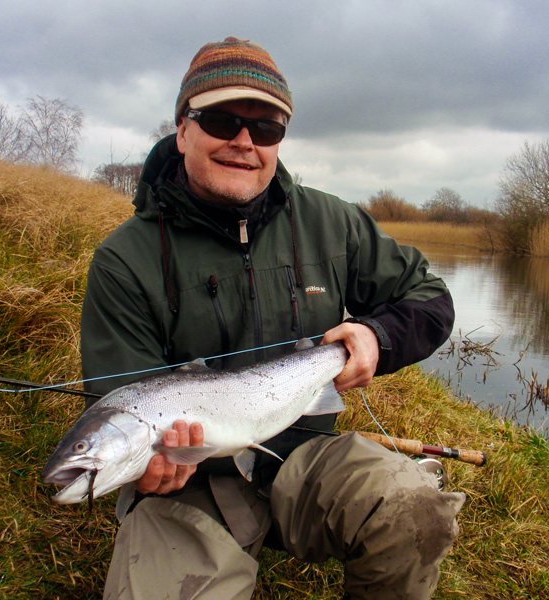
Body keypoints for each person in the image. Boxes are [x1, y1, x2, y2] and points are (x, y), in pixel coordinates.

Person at [80, 36, 464, 600]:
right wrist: (148, 468)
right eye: (221, 120)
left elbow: (430, 299)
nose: (244, 142)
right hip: (189, 490)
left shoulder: (332, 223)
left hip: (306, 459)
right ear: (183, 129)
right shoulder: (124, 261)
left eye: (266, 128)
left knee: (415, 510)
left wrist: (375, 337)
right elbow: (118, 398)